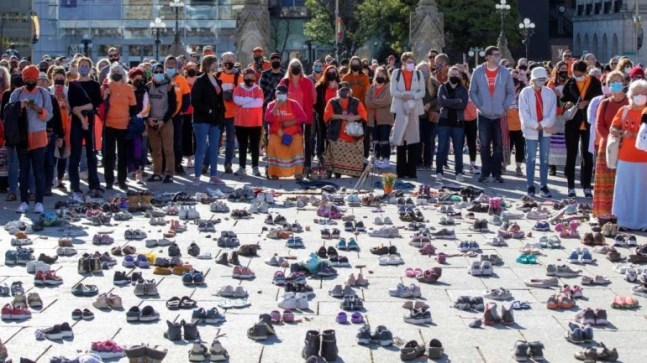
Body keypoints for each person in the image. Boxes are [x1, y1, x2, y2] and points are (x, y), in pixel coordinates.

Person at [9, 65, 53, 213]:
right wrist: (19, 106)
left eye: (32, 78)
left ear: (37, 79)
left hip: (39, 136)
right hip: (22, 137)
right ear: (23, 78)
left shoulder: (43, 93)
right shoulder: (17, 93)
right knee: (24, 170)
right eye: (27, 78)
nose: (30, 81)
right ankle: (24, 201)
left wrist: (39, 110)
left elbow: (49, 115)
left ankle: (39, 202)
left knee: (39, 170)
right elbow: (8, 112)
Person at [469, 46, 515, 183]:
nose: (497, 57)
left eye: (498, 55)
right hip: (483, 115)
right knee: (484, 145)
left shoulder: (505, 73)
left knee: (499, 145)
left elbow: (510, 92)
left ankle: (496, 173)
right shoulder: (478, 72)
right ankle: (485, 172)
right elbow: (472, 91)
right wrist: (480, 105)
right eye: (495, 55)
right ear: (487, 56)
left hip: (499, 114)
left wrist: (504, 106)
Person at [560, 60, 603, 197]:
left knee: (587, 156)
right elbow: (562, 99)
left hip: (588, 123)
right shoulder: (570, 82)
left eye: (579, 74)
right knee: (571, 155)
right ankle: (570, 186)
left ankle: (586, 186)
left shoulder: (595, 83)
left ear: (585, 72)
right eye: (574, 74)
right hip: (572, 122)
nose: (576, 76)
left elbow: (600, 100)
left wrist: (588, 102)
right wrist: (566, 104)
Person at [610, 79, 647, 230]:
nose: (641, 96)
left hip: (644, 159)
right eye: (637, 93)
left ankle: (643, 222)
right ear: (631, 95)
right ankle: (623, 220)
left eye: (644, 93)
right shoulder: (624, 110)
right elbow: (613, 129)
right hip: (625, 158)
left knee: (643, 192)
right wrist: (622, 133)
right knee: (625, 191)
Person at [593, 71, 627, 217]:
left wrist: (623, 138)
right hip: (606, 148)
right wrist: (611, 138)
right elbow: (599, 125)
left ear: (624, 83)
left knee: (623, 181)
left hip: (626, 148)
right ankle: (604, 213)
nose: (615, 84)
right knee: (605, 182)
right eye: (612, 81)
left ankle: (623, 212)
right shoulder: (604, 103)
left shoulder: (630, 104)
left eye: (618, 80)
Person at [519, 67, 557, 198]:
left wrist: (543, 124)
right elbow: (523, 112)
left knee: (544, 159)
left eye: (544, 79)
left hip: (545, 130)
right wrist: (535, 125)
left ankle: (543, 185)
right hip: (531, 130)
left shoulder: (550, 93)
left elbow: (553, 113)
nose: (542, 81)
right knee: (531, 158)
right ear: (533, 79)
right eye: (539, 79)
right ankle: (530, 185)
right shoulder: (525, 92)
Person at [68, 57, 102, 201]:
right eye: (81, 65)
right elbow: (73, 107)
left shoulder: (94, 84)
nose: (83, 67)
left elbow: (95, 103)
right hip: (78, 121)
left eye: (86, 65)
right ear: (77, 67)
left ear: (90, 67)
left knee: (91, 154)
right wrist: (82, 120)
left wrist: (83, 111)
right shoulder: (73, 85)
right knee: (75, 154)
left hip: (91, 121)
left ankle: (94, 184)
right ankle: (75, 186)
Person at [190, 55, 225, 185]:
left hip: (215, 119)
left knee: (214, 147)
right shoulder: (200, 80)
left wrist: (221, 115)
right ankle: (197, 177)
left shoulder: (217, 79)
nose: (217, 66)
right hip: (202, 119)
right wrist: (208, 110)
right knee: (201, 147)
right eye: (214, 64)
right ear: (207, 65)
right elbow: (195, 101)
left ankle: (214, 175)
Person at [390, 53, 426, 179]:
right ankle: (400, 171)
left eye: (412, 61)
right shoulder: (396, 73)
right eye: (408, 62)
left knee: (413, 138)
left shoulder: (418, 74)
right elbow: (393, 91)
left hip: (414, 107)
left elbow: (422, 91)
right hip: (400, 108)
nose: (411, 64)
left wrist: (413, 96)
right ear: (403, 62)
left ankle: (412, 171)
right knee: (400, 138)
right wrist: (404, 94)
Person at [278, 59, 316, 176]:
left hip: (305, 116)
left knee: (307, 141)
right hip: (289, 118)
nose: (295, 68)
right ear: (289, 68)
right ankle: (293, 166)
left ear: (301, 69)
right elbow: (279, 98)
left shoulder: (308, 82)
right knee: (292, 141)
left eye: (297, 66)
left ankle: (307, 165)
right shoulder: (284, 82)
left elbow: (314, 98)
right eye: (293, 66)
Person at [322, 82, 367, 178]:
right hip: (337, 133)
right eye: (342, 90)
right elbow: (327, 116)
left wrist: (354, 118)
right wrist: (342, 116)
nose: (345, 92)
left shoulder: (356, 102)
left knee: (357, 145)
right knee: (335, 145)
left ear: (350, 91)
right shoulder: (332, 102)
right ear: (338, 91)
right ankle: (337, 171)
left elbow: (363, 115)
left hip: (353, 134)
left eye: (347, 90)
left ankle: (354, 172)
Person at [102, 63, 136, 190]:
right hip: (109, 125)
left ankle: (122, 180)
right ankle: (109, 181)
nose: (116, 73)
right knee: (108, 155)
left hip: (124, 125)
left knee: (123, 155)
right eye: (113, 71)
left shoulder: (128, 88)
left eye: (118, 70)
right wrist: (105, 95)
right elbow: (100, 103)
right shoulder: (106, 86)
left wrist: (132, 121)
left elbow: (133, 107)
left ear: (123, 73)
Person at [265, 85, 307, 179]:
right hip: (277, 133)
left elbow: (303, 117)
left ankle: (298, 173)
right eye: (278, 94)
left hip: (293, 132)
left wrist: (291, 122)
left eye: (283, 94)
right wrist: (276, 107)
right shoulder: (271, 105)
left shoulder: (294, 104)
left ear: (287, 95)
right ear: (275, 95)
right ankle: (274, 172)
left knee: (297, 142)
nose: (281, 96)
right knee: (273, 142)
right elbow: (268, 119)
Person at [435, 66, 468, 182]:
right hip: (444, 121)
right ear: (448, 75)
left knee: (458, 149)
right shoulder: (442, 87)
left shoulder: (463, 89)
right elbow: (441, 102)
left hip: (458, 122)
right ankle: (439, 171)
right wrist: (456, 101)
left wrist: (449, 102)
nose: (454, 77)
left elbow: (463, 105)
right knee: (442, 147)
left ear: (459, 76)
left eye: (456, 75)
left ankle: (458, 172)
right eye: (452, 75)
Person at [146, 63, 177, 183]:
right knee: (155, 150)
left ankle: (169, 173)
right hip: (151, 121)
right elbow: (144, 105)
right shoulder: (148, 87)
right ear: (152, 73)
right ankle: (157, 172)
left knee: (168, 149)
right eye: (156, 71)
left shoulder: (169, 87)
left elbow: (173, 106)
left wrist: (163, 121)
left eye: (161, 71)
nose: (159, 74)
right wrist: (149, 118)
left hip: (165, 121)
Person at [233, 68, 264, 176]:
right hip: (241, 122)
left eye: (252, 77)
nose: (250, 79)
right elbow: (237, 100)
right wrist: (251, 100)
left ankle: (255, 167)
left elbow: (259, 102)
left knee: (255, 146)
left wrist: (244, 103)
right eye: (247, 76)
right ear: (243, 77)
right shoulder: (238, 88)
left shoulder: (258, 89)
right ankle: (242, 166)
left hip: (255, 122)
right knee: (242, 145)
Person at [164, 56, 191, 175]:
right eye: (168, 63)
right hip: (163, 116)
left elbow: (186, 97)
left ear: (176, 66)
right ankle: (164, 165)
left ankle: (177, 164)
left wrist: (182, 110)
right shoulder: (160, 78)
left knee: (177, 141)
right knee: (164, 141)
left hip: (177, 116)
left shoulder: (181, 79)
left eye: (172, 63)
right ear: (164, 65)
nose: (170, 65)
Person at [41, 69, 65, 196]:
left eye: (44, 80)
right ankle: (38, 185)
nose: (42, 82)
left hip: (51, 133)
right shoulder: (30, 98)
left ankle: (48, 186)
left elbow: (58, 118)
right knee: (38, 162)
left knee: (50, 161)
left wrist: (60, 135)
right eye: (40, 80)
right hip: (36, 133)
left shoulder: (51, 98)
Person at [216, 52, 241, 174]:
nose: (228, 62)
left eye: (231, 59)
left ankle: (228, 163)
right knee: (215, 139)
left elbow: (242, 92)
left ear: (235, 61)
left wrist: (233, 94)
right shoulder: (217, 75)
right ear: (221, 62)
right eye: (226, 59)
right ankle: (207, 163)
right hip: (219, 113)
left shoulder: (238, 77)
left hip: (233, 114)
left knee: (230, 140)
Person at [364, 66, 393, 169]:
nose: (379, 77)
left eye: (382, 75)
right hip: (373, 119)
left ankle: (385, 159)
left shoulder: (389, 87)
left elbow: (386, 101)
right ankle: (376, 158)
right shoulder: (371, 87)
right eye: (377, 75)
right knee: (375, 140)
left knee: (384, 140)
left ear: (385, 76)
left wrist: (373, 101)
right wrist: (376, 102)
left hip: (385, 119)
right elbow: (367, 102)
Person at [547, 61, 569, 175]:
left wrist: (562, 96)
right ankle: (552, 166)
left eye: (566, 68)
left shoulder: (570, 82)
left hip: (566, 114)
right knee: (553, 142)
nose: (564, 70)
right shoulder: (552, 82)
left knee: (565, 142)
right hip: (554, 114)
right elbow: (547, 96)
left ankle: (566, 166)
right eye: (562, 68)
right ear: (558, 69)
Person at [315, 66, 340, 166]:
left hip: (338, 117)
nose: (332, 73)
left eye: (334, 71)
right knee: (322, 137)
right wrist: (323, 113)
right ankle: (322, 157)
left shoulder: (341, 86)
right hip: (323, 116)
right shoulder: (320, 87)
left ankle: (335, 159)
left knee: (336, 138)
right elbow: (315, 103)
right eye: (329, 71)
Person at [128, 67, 149, 185]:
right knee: (129, 146)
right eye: (135, 77)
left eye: (140, 77)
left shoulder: (144, 90)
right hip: (127, 122)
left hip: (140, 121)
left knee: (141, 147)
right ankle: (131, 169)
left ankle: (139, 170)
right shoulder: (127, 89)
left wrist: (138, 118)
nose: (138, 79)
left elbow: (146, 107)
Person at [417, 62, 439, 170]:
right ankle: (418, 162)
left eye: (426, 70)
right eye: (421, 70)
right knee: (418, 140)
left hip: (430, 115)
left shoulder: (434, 82)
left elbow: (439, 98)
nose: (424, 72)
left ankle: (428, 163)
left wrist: (430, 104)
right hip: (417, 115)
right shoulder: (414, 83)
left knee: (429, 140)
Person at [461, 70, 480, 174]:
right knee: (459, 143)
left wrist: (467, 71)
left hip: (472, 119)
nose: (463, 80)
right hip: (461, 119)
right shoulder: (458, 90)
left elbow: (474, 81)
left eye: (464, 78)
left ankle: (472, 164)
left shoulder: (472, 90)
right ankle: (459, 164)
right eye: (462, 78)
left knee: (471, 142)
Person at [182, 62, 198, 168]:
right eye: (189, 68)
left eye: (194, 67)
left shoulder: (200, 80)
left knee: (197, 135)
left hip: (197, 112)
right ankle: (189, 157)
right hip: (186, 112)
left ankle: (197, 156)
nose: (191, 69)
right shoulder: (183, 81)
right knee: (186, 135)